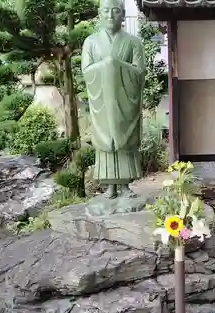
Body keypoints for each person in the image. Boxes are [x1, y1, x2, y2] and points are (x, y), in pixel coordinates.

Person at [81, 0, 146, 199]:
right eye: (106, 11)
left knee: (125, 142)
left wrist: (115, 65)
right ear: (99, 14)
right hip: (102, 103)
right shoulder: (91, 42)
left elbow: (140, 72)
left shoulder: (134, 42)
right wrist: (107, 67)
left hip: (125, 102)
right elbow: (86, 72)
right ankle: (110, 188)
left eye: (115, 11)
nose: (110, 16)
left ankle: (125, 187)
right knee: (105, 141)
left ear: (123, 15)